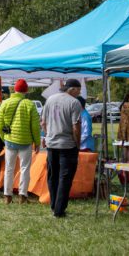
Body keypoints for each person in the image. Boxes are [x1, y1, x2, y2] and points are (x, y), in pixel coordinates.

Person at [41, 79, 82, 218]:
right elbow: (76, 126)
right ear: (72, 89)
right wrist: (78, 143)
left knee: (53, 176)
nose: (80, 93)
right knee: (65, 178)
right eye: (78, 89)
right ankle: (59, 210)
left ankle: (54, 206)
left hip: (52, 144)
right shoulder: (74, 103)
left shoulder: (50, 99)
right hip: (67, 145)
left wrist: (47, 136)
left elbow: (43, 122)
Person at [0, 79, 41, 204]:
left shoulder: (5, 103)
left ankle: (7, 195)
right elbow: (35, 126)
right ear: (26, 91)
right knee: (25, 169)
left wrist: (4, 138)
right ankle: (22, 196)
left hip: (10, 141)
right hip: (25, 142)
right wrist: (37, 142)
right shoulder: (30, 104)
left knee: (9, 169)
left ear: (14, 89)